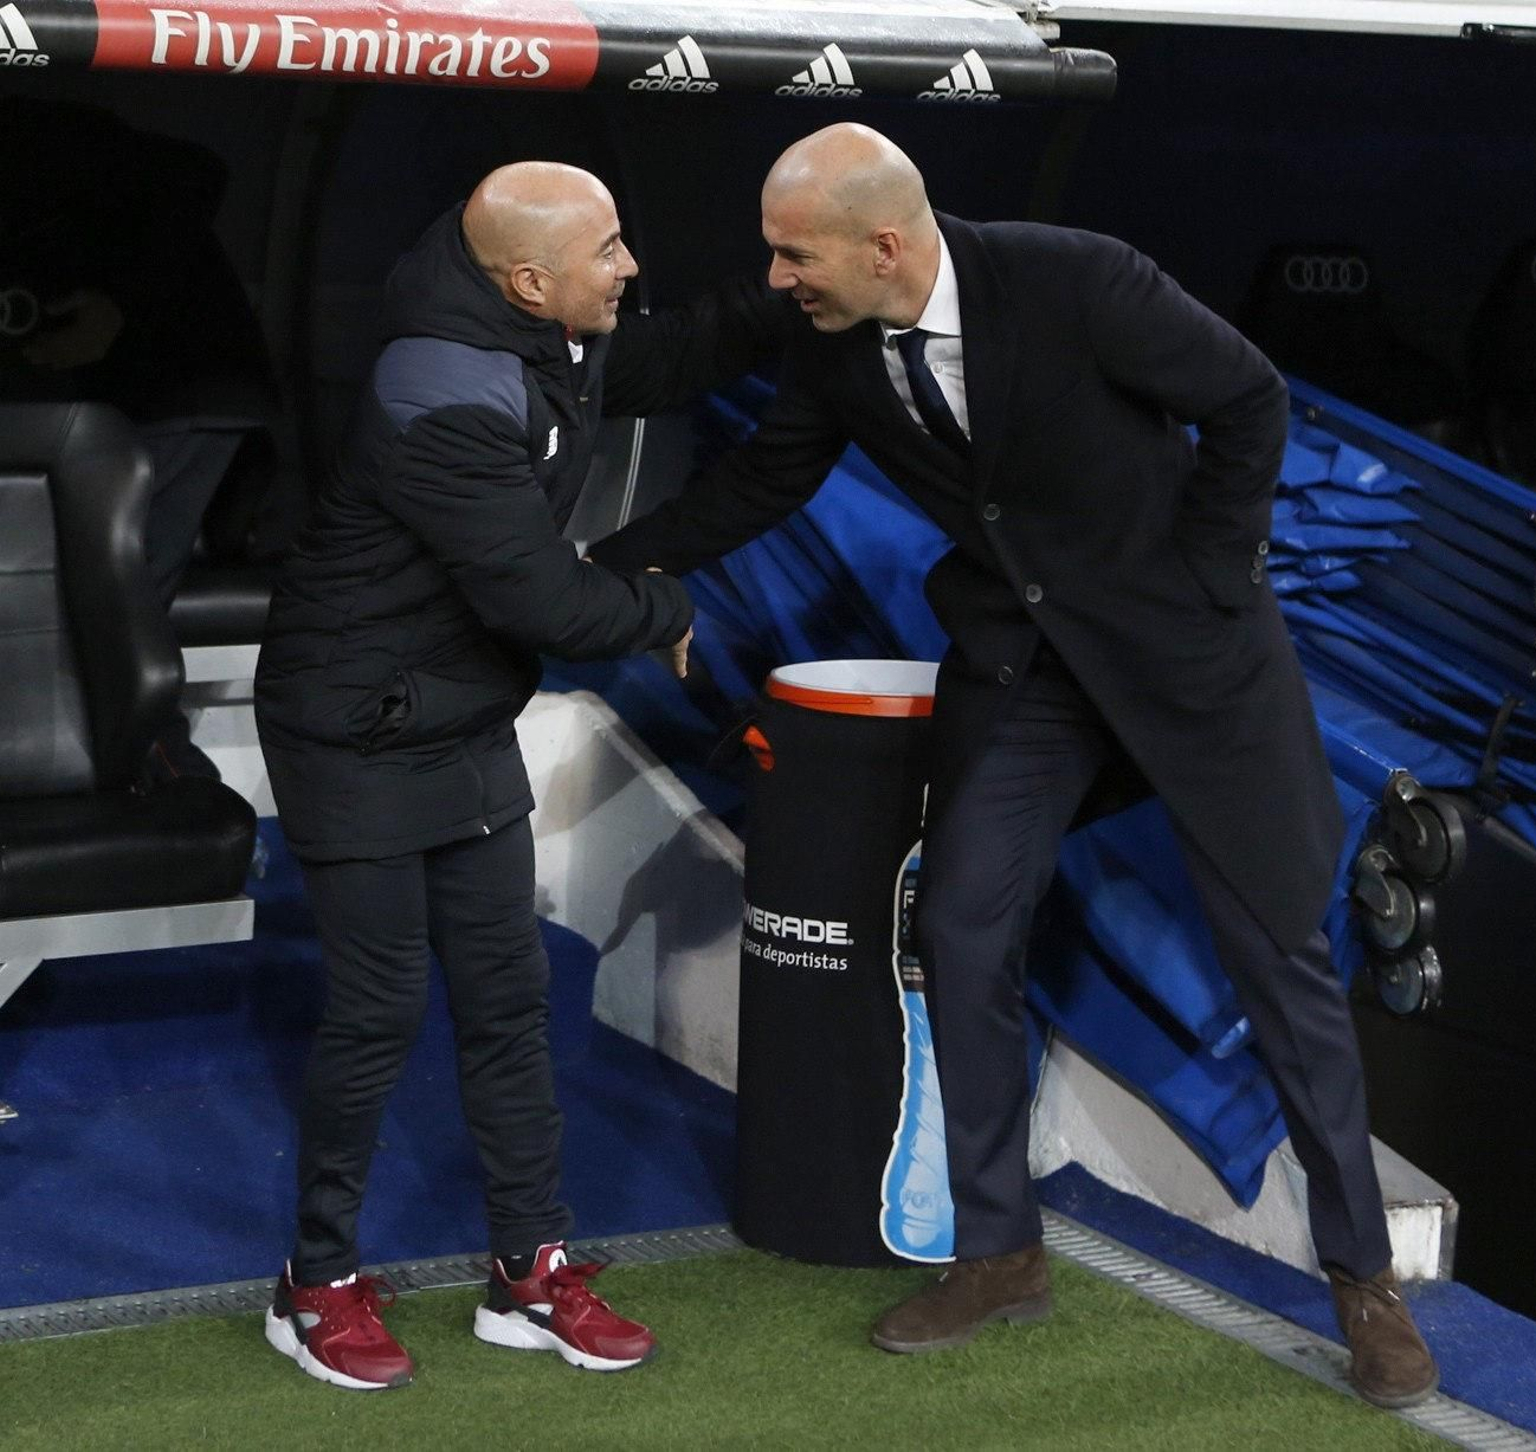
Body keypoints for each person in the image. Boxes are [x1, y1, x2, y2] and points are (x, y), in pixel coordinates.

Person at [586, 123, 1440, 1409]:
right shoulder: (831, 339)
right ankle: (998, 1252)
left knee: (1280, 966)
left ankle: (1364, 1289)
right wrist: (595, 572)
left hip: (1190, 669)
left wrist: (1209, 578)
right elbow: (762, 482)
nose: (774, 278)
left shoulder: (1078, 279)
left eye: (791, 251)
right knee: (964, 925)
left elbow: (1248, 400)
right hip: (1026, 672)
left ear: (884, 243)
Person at [253, 160, 781, 1390]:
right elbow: (539, 596)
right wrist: (663, 604)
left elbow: (667, 356)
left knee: (505, 997)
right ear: (532, 280)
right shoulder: (437, 387)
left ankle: (526, 1274)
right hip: (350, 728)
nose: (629, 266)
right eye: (608, 249)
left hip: (461, 716)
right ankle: (313, 1284)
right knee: (380, 1011)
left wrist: (782, 296)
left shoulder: (550, 332)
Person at [1, 97, 282, 783]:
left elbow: (195, 174)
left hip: (185, 388)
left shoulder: (39, 132)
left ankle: (150, 762)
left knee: (116, 590)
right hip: (131, 399)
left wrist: (118, 300)